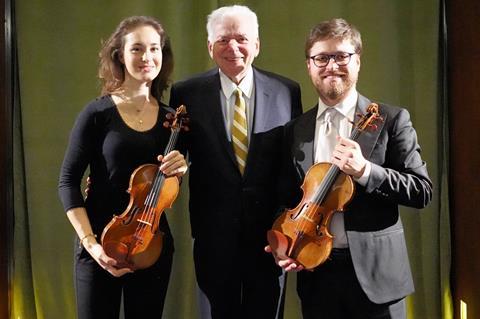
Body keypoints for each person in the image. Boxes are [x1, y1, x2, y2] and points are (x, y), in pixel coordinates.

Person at [266, 18, 433, 319]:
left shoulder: (391, 120)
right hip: (317, 274)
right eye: (321, 58)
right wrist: (285, 241)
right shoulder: (296, 129)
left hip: (378, 277)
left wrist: (366, 171)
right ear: (309, 66)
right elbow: (288, 197)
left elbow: (421, 190)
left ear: (357, 61)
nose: (331, 65)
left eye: (341, 56)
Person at [169, 5, 302, 319]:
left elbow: (291, 164)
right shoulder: (186, 93)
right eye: (223, 39)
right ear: (209, 46)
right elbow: (179, 159)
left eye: (241, 39)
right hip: (213, 236)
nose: (233, 48)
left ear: (256, 44)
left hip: (272, 237)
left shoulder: (287, 91)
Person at [58, 16, 187, 319]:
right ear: (120, 55)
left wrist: (181, 168)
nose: (147, 57)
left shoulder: (174, 121)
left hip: (151, 245)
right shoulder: (97, 112)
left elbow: (168, 184)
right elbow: (67, 181)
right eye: (137, 49)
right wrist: (92, 246)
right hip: (98, 242)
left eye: (155, 49)